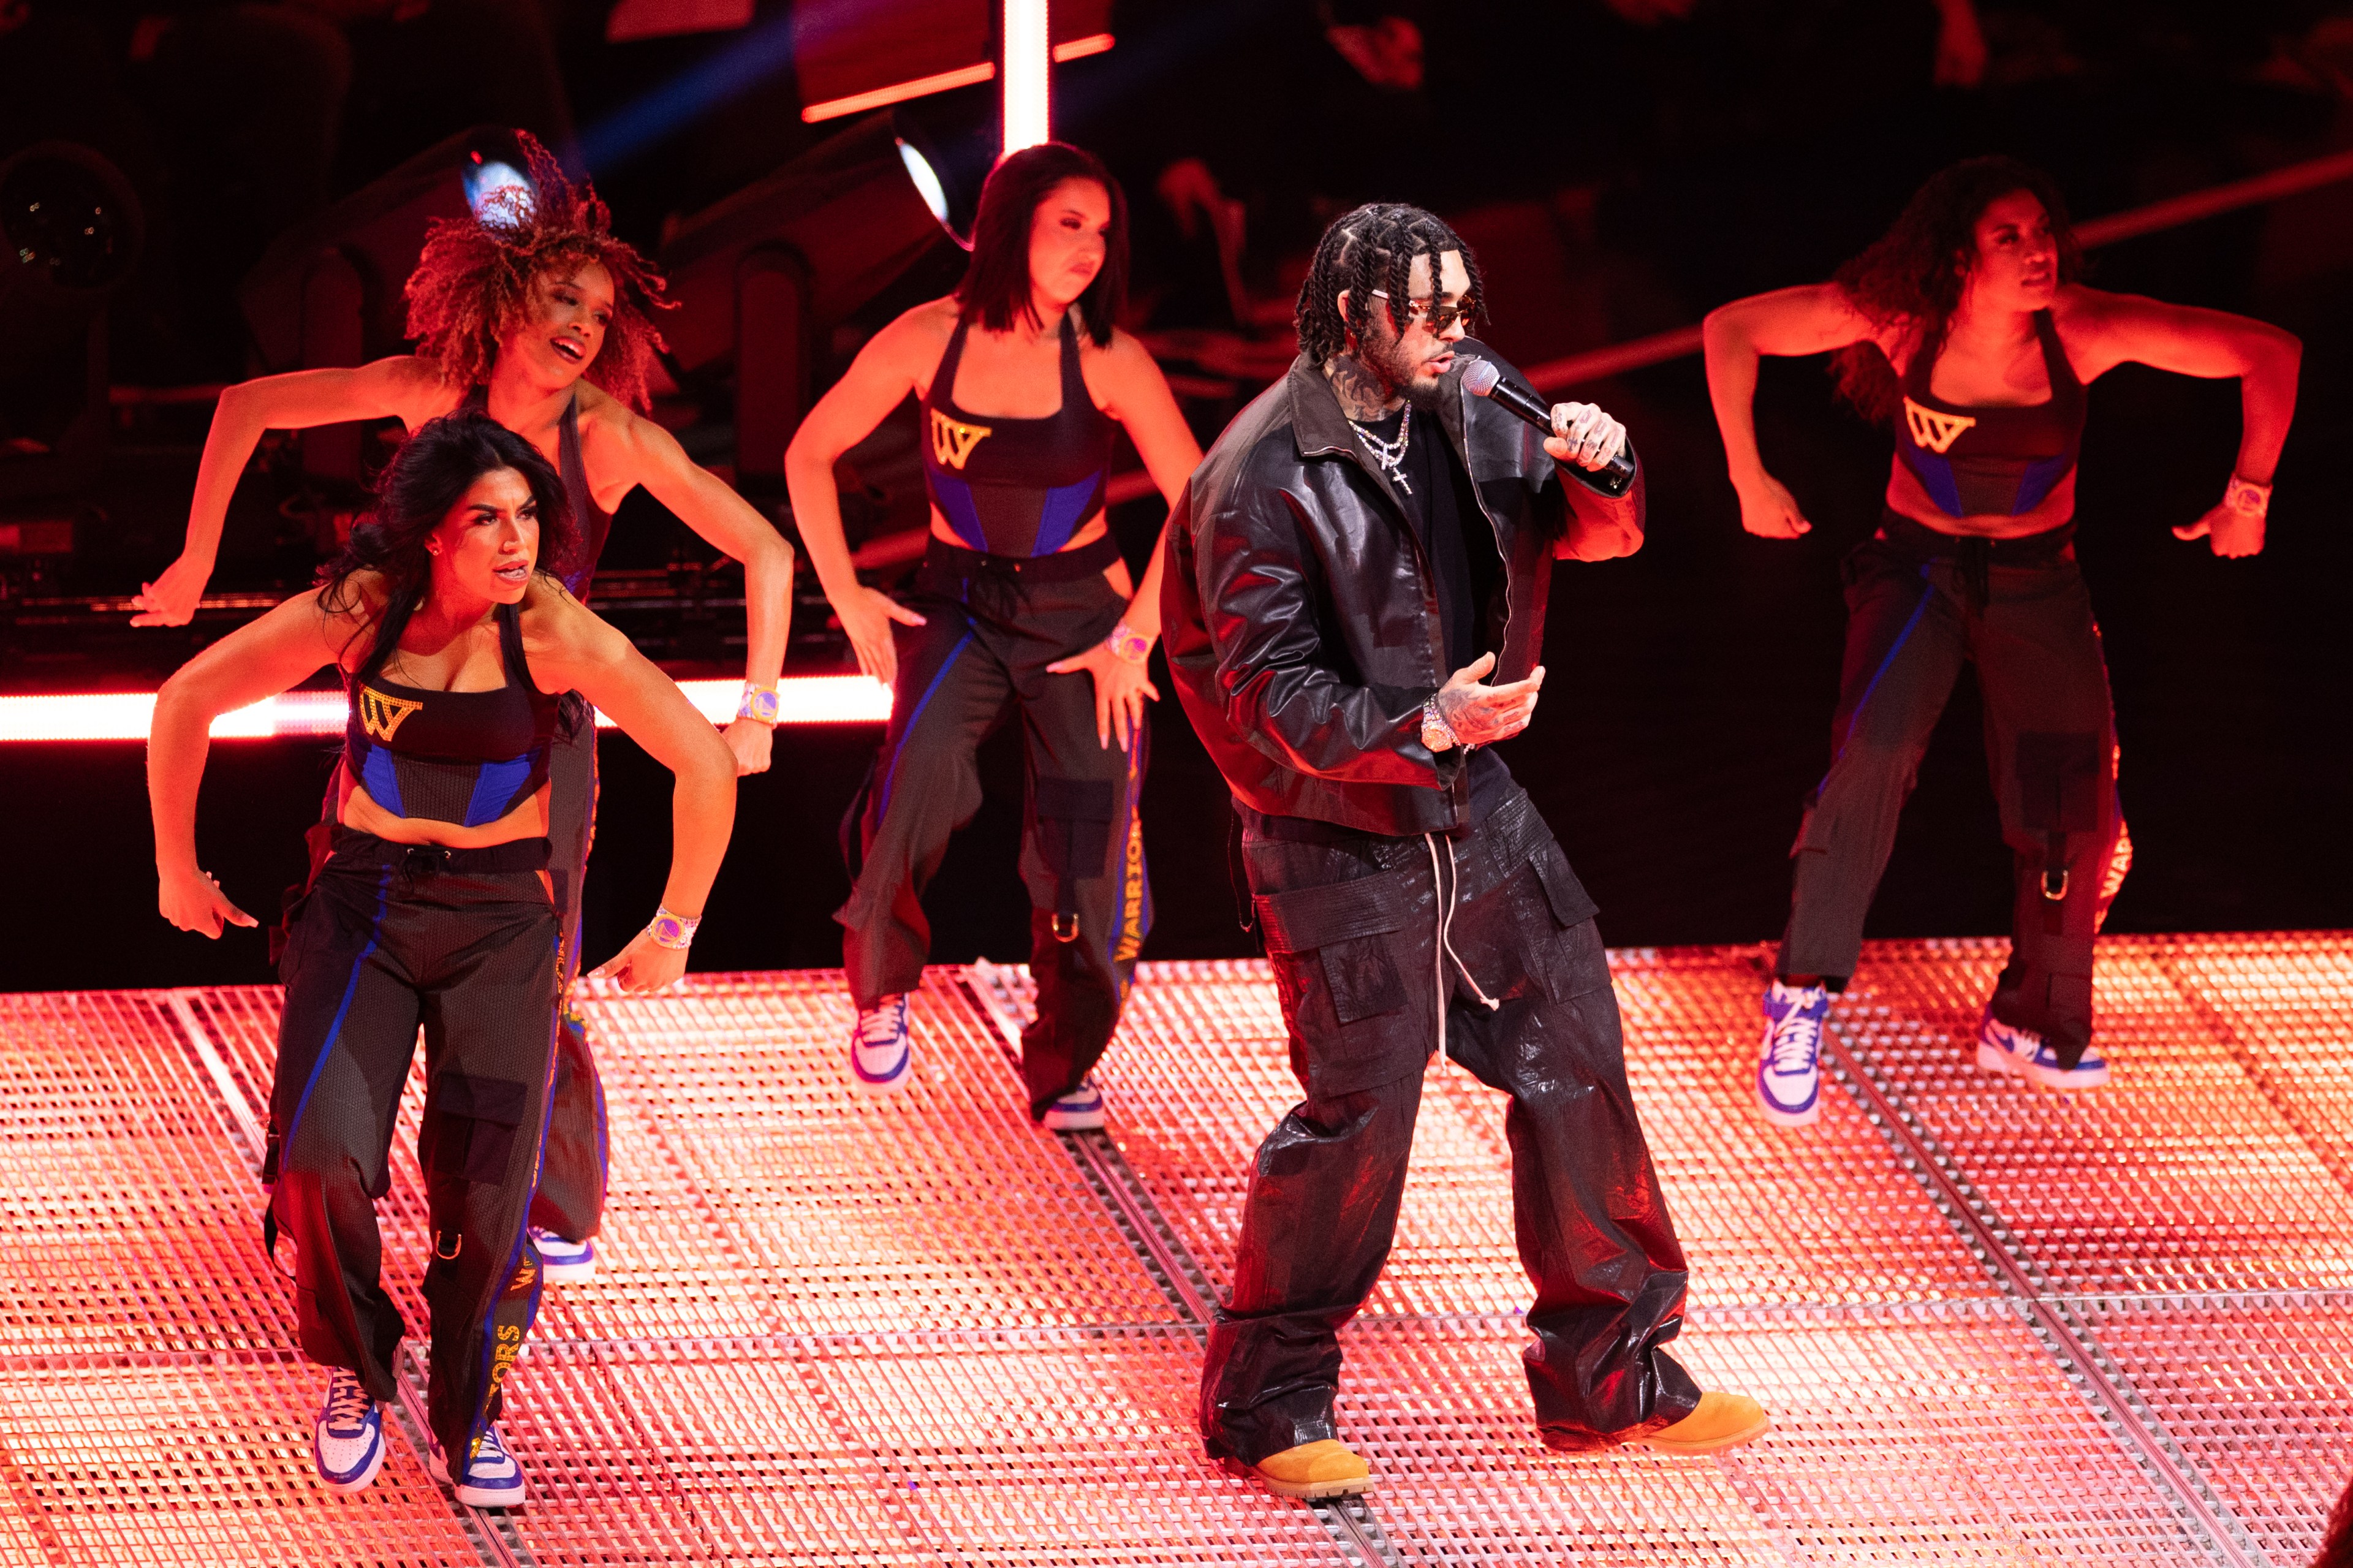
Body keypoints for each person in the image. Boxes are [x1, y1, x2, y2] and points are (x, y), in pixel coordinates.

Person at [1162, 202, 1767, 1500]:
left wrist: (1605, 468)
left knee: (1575, 1053)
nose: (1452, 333)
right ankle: (1268, 1402)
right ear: (1351, 315)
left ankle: (1611, 1373)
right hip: (1335, 823)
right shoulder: (1258, 472)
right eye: (1423, 311)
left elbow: (1606, 533)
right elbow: (1266, 691)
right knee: (1357, 1119)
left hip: (1471, 797)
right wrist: (1417, 720)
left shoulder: (1480, 396)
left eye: (1460, 306)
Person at [132, 132, 795, 1278]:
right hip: (399, 692)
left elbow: (768, 551)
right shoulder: (433, 388)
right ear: (504, 296)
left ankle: (546, 1195)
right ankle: (336, 1146)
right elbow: (244, 406)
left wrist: (761, 711)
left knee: (548, 962)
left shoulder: (615, 438)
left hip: (539, 725)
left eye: (597, 308)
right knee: (351, 888)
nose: (580, 324)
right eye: (558, 296)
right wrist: (196, 560)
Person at [147, 412, 736, 1507]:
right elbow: (186, 698)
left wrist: (675, 929)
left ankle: (473, 1412)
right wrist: (177, 870)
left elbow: (701, 758)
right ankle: (359, 1371)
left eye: (527, 518)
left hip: (502, 923)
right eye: (488, 520)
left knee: (487, 1194)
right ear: (429, 533)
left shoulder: (554, 631)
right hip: (365, 904)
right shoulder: (366, 608)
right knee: (320, 1157)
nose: (518, 543)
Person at [1702, 156, 2300, 1126]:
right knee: (1872, 758)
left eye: (2044, 231)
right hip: (1916, 574)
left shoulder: (2086, 328)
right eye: (2008, 238)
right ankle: (1802, 996)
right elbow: (1733, 329)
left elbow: (2269, 352)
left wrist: (2251, 497)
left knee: (2075, 799)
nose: (2039, 252)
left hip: (2038, 582)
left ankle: (2035, 1019)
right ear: (1956, 259)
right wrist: (1747, 476)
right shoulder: (1901, 321)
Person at [784, 142, 1202, 1126]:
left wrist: (1135, 637)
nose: (1092, 248)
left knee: (1084, 850)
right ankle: (882, 995)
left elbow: (1201, 502)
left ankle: (1067, 1066)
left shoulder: (1109, 359)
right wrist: (845, 594)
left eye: (1103, 231)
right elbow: (811, 453)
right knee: (916, 782)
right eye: (1070, 224)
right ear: (1011, 225)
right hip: (959, 606)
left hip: (1081, 621)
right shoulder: (928, 338)